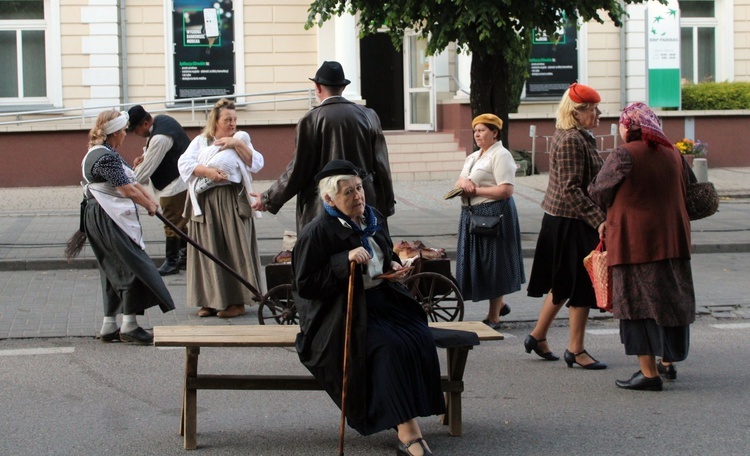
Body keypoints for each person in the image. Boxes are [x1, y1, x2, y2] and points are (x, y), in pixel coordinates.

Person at [293, 160, 443, 456]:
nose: (358, 196)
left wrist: (394, 266)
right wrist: (343, 261)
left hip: (381, 301)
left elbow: (383, 257)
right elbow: (306, 285)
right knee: (387, 347)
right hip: (339, 312)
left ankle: (414, 413)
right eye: (347, 192)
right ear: (329, 199)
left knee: (418, 336)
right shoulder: (317, 232)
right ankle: (408, 432)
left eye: (359, 188)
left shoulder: (372, 218)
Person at [589, 102, 695, 390]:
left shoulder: (625, 153)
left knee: (637, 305)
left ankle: (649, 374)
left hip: (634, 242)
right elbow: (693, 188)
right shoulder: (673, 152)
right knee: (670, 300)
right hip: (673, 239)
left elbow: (598, 190)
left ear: (629, 126)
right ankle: (669, 361)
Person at [252, 61, 395, 232]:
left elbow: (298, 171)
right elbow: (382, 166)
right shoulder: (369, 115)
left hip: (324, 209)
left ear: (318, 87)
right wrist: (386, 207)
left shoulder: (311, 119)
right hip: (363, 205)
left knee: (329, 256)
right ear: (342, 88)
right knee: (368, 253)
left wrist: (268, 198)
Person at [525, 83, 607, 369]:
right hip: (571, 221)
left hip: (563, 219)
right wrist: (599, 221)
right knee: (580, 284)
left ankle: (537, 336)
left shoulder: (575, 135)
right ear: (576, 112)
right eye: (593, 109)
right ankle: (576, 349)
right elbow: (572, 189)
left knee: (562, 284)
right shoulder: (572, 139)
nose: (598, 113)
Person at [77, 110, 175, 344]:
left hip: (98, 215)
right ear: (112, 133)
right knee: (131, 265)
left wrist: (152, 203)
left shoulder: (105, 153)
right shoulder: (106, 157)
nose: (124, 134)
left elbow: (131, 182)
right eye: (122, 131)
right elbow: (127, 189)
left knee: (112, 268)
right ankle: (129, 325)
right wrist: (150, 206)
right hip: (107, 216)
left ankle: (110, 324)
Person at [177, 98, 264, 319]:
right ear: (216, 120)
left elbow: (256, 164)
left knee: (233, 249)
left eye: (235, 119)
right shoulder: (201, 141)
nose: (233, 123)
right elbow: (184, 164)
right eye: (228, 119)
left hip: (230, 200)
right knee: (208, 250)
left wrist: (238, 144)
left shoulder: (240, 140)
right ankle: (210, 300)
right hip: (205, 202)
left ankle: (237, 302)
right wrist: (208, 172)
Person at [453, 113, 525, 329]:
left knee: (494, 262)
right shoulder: (474, 157)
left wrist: (474, 189)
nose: (477, 134)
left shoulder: (501, 155)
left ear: (494, 133)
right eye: (475, 130)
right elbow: (460, 180)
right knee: (479, 262)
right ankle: (500, 304)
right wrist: (463, 183)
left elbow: (506, 190)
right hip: (471, 214)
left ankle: (494, 316)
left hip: (494, 214)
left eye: (482, 130)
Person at [127, 105, 191, 276]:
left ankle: (171, 263)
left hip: (175, 184)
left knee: (171, 222)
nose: (135, 133)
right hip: (178, 179)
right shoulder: (163, 121)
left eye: (136, 129)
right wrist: (144, 156)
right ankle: (185, 257)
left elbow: (145, 171)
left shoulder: (160, 138)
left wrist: (127, 182)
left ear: (146, 123)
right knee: (180, 221)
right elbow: (151, 154)